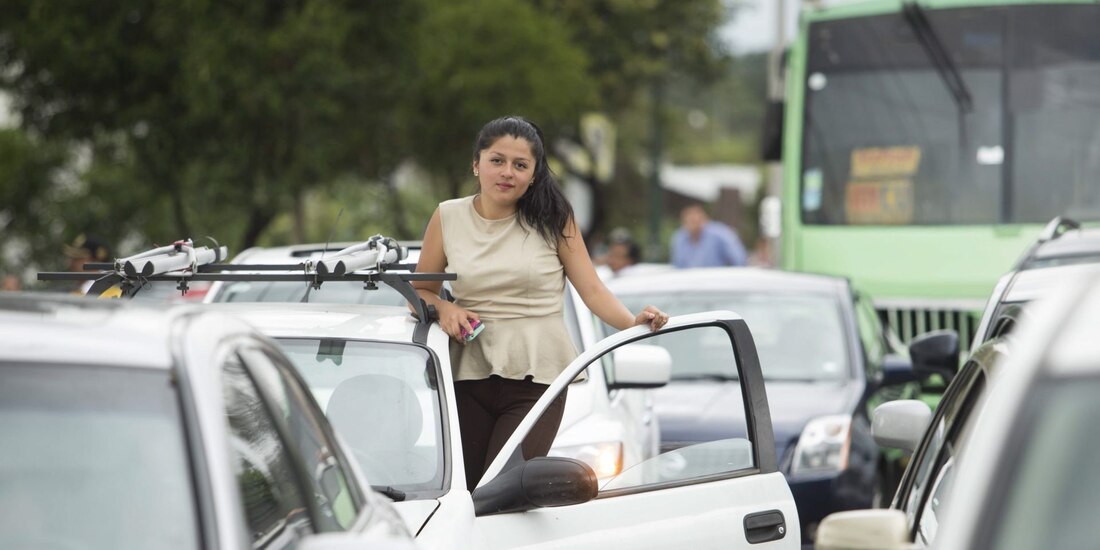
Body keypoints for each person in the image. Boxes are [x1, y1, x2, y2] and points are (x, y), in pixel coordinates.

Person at [412, 116, 669, 490]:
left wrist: (632, 322)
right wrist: (445, 308)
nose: (507, 173)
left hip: (537, 380)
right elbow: (419, 292)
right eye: (497, 160)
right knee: (462, 494)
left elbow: (593, 291)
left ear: (533, 174)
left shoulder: (554, 219)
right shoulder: (447, 215)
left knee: (505, 491)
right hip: (466, 374)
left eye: (520, 165)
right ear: (476, 163)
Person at [670, 203, 747, 268]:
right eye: (689, 221)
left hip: (716, 281)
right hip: (689, 282)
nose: (693, 224)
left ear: (704, 219)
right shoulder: (680, 237)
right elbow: (677, 265)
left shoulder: (721, 234)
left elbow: (739, 259)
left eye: (695, 220)